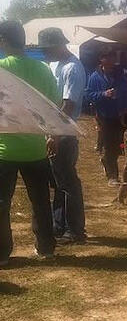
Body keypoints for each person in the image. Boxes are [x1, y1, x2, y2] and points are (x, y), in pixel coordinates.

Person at [0, 20, 59, 265]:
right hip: (36, 149)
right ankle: (45, 247)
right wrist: (53, 135)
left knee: (2, 203)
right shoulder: (43, 70)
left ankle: (2, 254)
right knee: (41, 201)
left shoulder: (2, 68)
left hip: (4, 150)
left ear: (4, 41)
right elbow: (54, 107)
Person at [38, 27, 87, 244]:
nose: (44, 54)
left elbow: (68, 106)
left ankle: (75, 230)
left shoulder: (72, 68)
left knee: (68, 183)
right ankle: (59, 225)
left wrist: (55, 134)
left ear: (58, 45)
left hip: (64, 133)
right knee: (58, 182)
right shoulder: (56, 65)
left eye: (46, 49)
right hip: (54, 131)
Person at [86, 51, 127, 185]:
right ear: (102, 59)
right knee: (109, 146)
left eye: (113, 57)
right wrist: (103, 94)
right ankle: (112, 176)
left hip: (120, 115)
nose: (112, 60)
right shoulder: (95, 77)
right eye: (108, 57)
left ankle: (106, 160)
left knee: (119, 146)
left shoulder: (121, 75)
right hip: (104, 116)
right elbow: (88, 95)